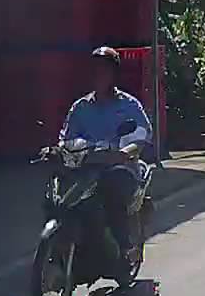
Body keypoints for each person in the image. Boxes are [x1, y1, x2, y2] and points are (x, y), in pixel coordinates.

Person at [58, 46, 153, 262]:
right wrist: (57, 150)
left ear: (114, 74)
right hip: (86, 168)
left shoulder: (129, 105)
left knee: (112, 190)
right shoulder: (80, 107)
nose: (98, 75)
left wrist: (124, 153)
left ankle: (126, 247)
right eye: (94, 70)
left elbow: (141, 136)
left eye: (104, 70)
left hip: (120, 168)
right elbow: (66, 137)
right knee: (61, 192)